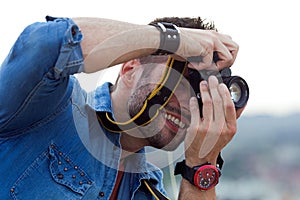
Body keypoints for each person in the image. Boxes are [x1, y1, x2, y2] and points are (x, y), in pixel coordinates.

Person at [0, 15, 245, 200]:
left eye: (201, 89)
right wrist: (174, 39)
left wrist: (201, 166)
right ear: (130, 69)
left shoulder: (147, 192)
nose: (188, 103)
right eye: (181, 79)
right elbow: (44, 43)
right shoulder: (50, 108)